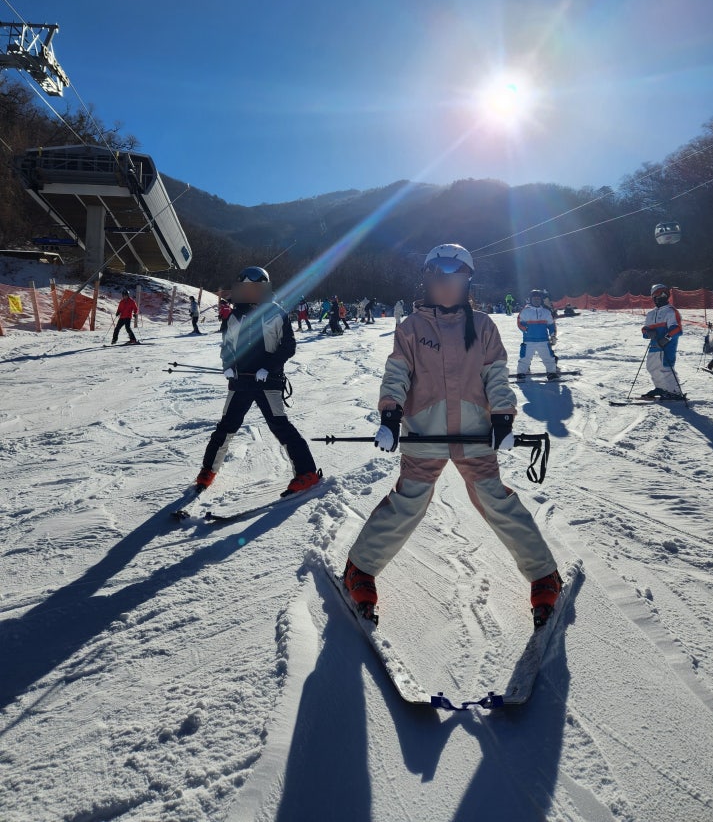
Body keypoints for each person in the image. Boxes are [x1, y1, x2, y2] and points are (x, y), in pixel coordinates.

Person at [343, 243, 562, 628]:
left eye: (456, 278)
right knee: (409, 500)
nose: (446, 285)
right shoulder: (411, 328)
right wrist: (390, 416)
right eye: (438, 277)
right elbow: (397, 374)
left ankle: (543, 574)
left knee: (495, 499)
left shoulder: (483, 326)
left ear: (467, 282)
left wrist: (503, 418)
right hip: (424, 431)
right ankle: (360, 568)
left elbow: (496, 375)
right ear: (427, 280)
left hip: (475, 431)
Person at [195, 266, 321, 494]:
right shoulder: (234, 316)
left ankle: (307, 472)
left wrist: (269, 367)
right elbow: (227, 346)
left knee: (280, 426)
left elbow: (288, 346)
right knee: (225, 427)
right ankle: (208, 470)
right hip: (240, 382)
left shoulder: (277, 313)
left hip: (268, 381)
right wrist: (228, 366)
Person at [640, 283, 684, 400]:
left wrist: (666, 338)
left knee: (666, 368)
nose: (663, 296)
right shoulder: (651, 314)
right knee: (651, 367)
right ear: (654, 297)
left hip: (667, 346)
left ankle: (674, 391)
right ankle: (661, 388)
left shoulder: (671, 311)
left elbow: (677, 329)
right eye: (660, 294)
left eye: (665, 293)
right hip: (654, 346)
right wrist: (648, 333)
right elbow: (644, 330)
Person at [515, 290, 558, 380]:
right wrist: (526, 329)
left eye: (538, 299)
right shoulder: (525, 311)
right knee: (525, 357)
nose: (536, 301)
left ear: (541, 300)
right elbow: (519, 323)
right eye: (534, 299)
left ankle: (551, 372)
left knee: (548, 357)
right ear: (531, 300)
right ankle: (521, 373)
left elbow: (551, 324)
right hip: (529, 340)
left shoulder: (546, 312)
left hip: (543, 340)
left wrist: (553, 335)